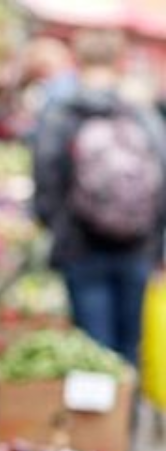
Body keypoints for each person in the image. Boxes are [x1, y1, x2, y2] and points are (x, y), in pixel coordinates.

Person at [33, 29, 166, 366]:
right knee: (129, 343)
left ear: (77, 59)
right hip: (137, 245)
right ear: (120, 61)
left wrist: (58, 226)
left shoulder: (61, 112)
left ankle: (96, 416)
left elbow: (46, 178)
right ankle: (127, 417)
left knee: (93, 349)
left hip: (81, 247)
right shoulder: (140, 112)